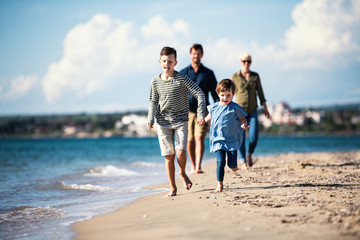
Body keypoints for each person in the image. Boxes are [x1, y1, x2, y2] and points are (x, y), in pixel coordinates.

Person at [147, 46, 206, 197]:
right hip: (163, 123)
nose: (167, 64)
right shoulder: (155, 81)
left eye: (170, 61)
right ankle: (173, 188)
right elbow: (153, 101)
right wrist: (150, 118)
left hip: (181, 121)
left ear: (176, 63)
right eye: (165, 61)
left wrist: (200, 114)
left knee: (180, 153)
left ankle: (182, 172)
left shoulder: (182, 79)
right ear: (160, 62)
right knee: (169, 156)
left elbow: (199, 93)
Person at [199, 79, 249, 192]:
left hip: (231, 140)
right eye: (222, 95)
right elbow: (209, 117)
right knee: (220, 162)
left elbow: (242, 118)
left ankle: (234, 166)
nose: (225, 98)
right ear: (218, 94)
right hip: (218, 140)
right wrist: (203, 121)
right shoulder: (214, 107)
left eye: (228, 95)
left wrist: (244, 124)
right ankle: (219, 185)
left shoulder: (235, 107)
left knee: (231, 164)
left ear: (233, 94)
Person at [180, 44, 219, 174]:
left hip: (202, 111)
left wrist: (216, 110)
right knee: (189, 141)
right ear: (190, 55)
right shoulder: (183, 73)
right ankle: (192, 165)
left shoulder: (208, 73)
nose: (196, 56)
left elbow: (215, 94)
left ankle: (198, 166)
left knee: (199, 138)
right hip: (187, 112)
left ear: (201, 55)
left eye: (198, 53)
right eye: (193, 53)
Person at [231, 52, 270, 169]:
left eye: (248, 61)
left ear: (251, 62)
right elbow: (231, 94)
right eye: (244, 61)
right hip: (239, 112)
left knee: (254, 136)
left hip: (253, 110)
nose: (246, 63)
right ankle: (243, 160)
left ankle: (249, 154)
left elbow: (261, 93)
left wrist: (266, 109)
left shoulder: (255, 76)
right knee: (241, 137)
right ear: (240, 62)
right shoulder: (235, 77)